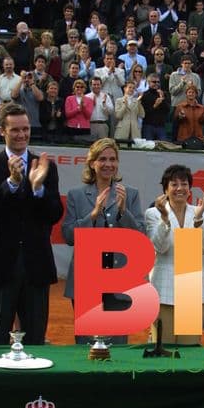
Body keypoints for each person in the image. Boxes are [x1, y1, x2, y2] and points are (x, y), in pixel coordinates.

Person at [0, 102, 63, 346]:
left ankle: (35, 386)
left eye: (25, 129)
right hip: (2, 265)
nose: (22, 135)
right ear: (2, 131)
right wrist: (12, 183)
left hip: (37, 265)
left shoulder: (46, 167)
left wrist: (37, 189)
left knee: (35, 339)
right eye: (15, 130)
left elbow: (54, 213)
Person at [62, 138, 144, 344]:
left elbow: (141, 236)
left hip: (119, 277)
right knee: (87, 344)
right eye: (102, 159)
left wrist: (124, 211)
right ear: (92, 163)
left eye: (113, 159)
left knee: (117, 344)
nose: (108, 164)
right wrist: (93, 214)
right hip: (87, 277)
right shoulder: (76, 195)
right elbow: (69, 235)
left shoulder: (130, 194)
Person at [145, 164, 204, 345]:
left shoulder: (199, 213)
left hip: (191, 286)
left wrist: (199, 222)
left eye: (184, 184)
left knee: (189, 350)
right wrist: (165, 220)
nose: (179, 189)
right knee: (162, 347)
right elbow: (160, 247)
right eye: (174, 184)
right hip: (163, 287)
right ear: (165, 189)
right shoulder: (153, 213)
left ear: (190, 189)